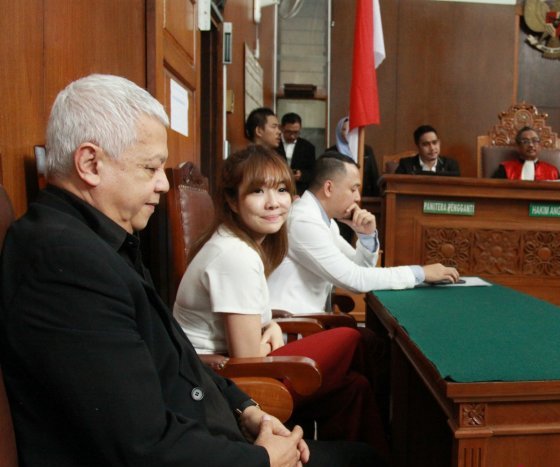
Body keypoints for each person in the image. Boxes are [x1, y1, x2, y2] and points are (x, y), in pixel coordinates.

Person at [0, 73, 382, 467]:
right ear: (91, 163)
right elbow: (142, 447)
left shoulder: (103, 240)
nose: (163, 185)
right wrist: (264, 460)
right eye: (150, 168)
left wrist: (247, 410)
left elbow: (178, 355)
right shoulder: (65, 263)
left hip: (214, 429)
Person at [173, 146, 389, 458]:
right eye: (258, 191)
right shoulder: (234, 254)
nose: (274, 202)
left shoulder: (242, 244)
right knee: (354, 338)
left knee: (355, 388)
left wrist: (271, 326)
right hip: (225, 382)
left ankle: (378, 457)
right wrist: (269, 334)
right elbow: (247, 358)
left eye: (282, 190)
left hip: (237, 367)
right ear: (233, 201)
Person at [267, 152, 460, 315]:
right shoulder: (303, 221)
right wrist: (420, 273)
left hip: (309, 321)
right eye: (353, 189)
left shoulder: (323, 219)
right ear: (328, 188)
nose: (358, 197)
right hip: (290, 330)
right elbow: (355, 279)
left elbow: (359, 268)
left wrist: (366, 236)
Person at [491, 126, 560, 180]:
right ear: (518, 147)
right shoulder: (505, 169)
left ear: (540, 146)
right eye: (525, 141)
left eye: (535, 140)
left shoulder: (552, 171)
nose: (531, 145)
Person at [275, 112, 317, 195]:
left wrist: (301, 175)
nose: (292, 136)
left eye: (296, 132)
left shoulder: (308, 147)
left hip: (299, 190)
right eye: (289, 132)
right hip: (277, 187)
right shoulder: (274, 145)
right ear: (282, 128)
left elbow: (312, 171)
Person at [394, 125, 460, 176]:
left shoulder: (450, 165)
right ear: (418, 146)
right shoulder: (406, 165)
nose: (432, 148)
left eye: (434, 142)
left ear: (439, 143)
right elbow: (393, 187)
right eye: (426, 144)